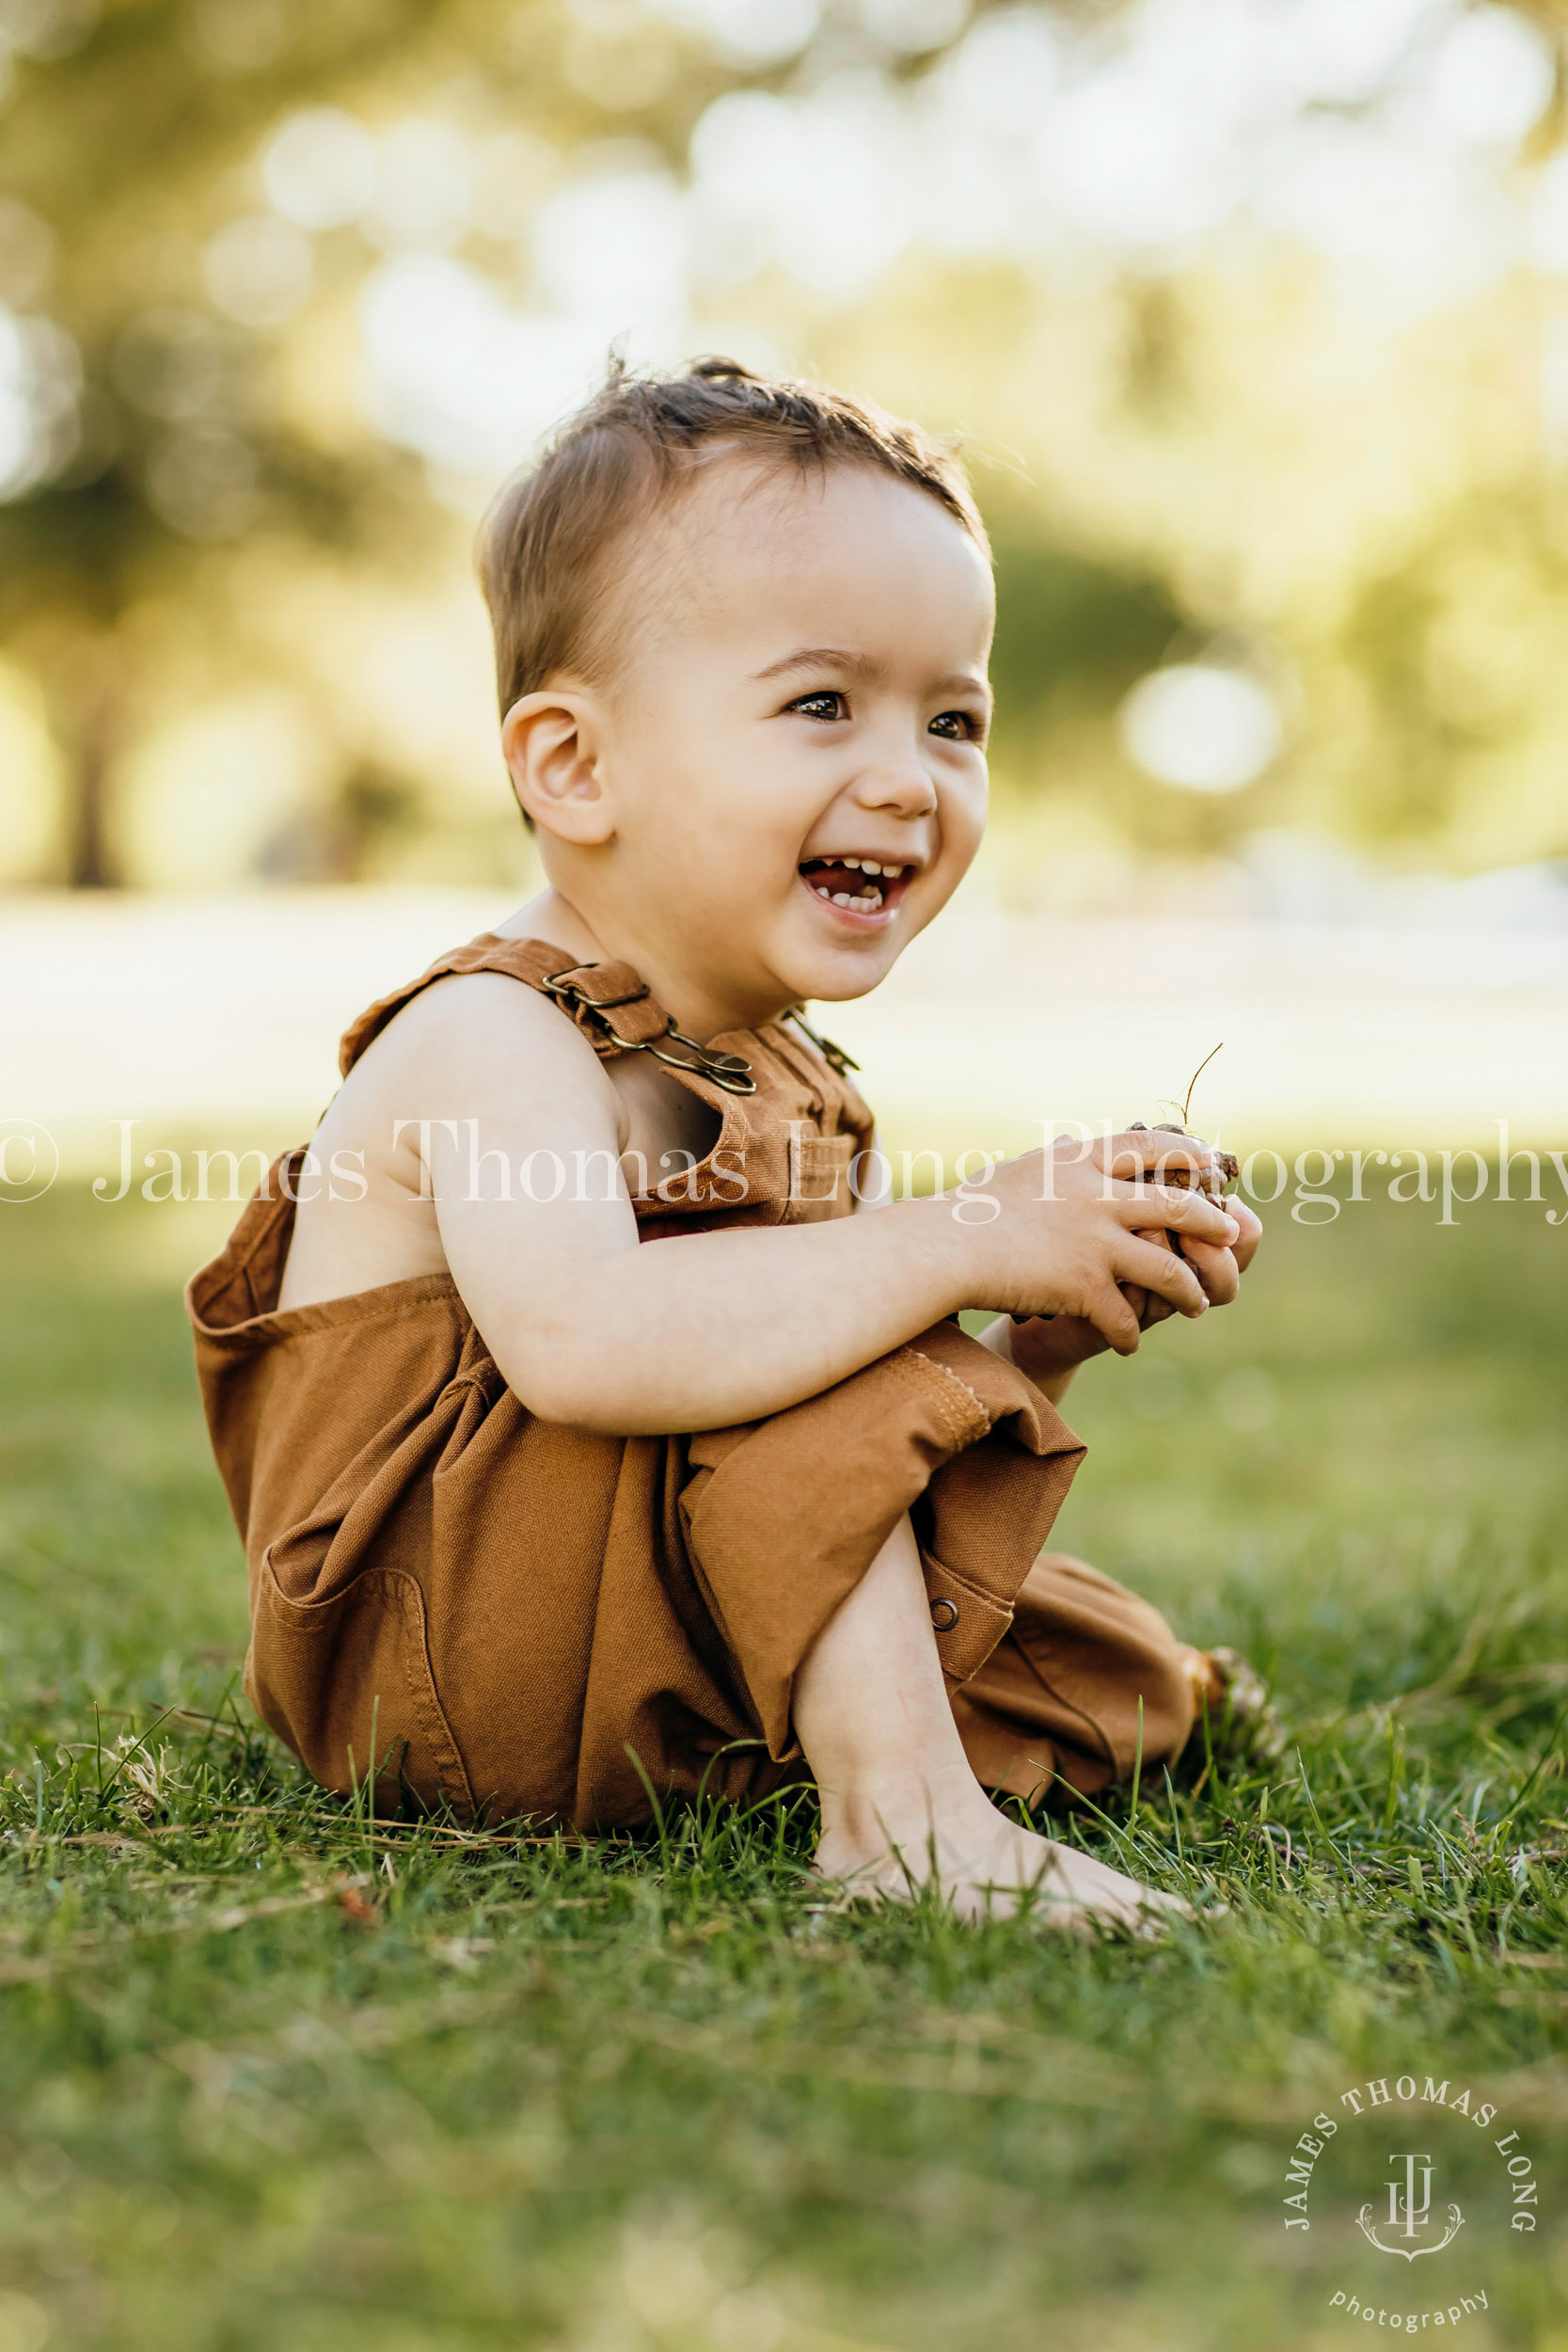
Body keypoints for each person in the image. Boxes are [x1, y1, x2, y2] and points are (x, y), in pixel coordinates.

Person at [187, 359, 1264, 1930]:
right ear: (577, 767)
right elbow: (599, 1350)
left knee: (1088, 1656)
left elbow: (852, 1456)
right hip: (440, 1653)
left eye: (953, 718)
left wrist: (1032, 1336)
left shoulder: (794, 1074)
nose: (906, 775)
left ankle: (901, 1756)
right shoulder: (497, 1038)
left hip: (629, 1628)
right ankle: (903, 1827)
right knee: (793, 1318)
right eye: (822, 703)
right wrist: (963, 1236)